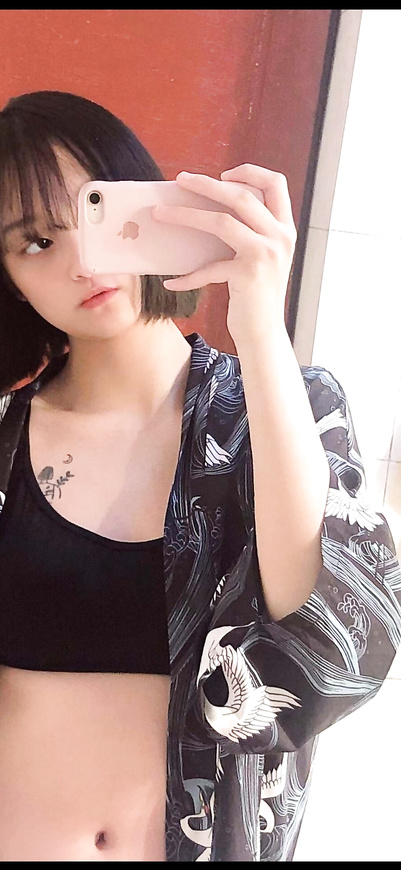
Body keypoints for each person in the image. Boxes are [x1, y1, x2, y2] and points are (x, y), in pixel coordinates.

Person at [0, 90, 399, 863]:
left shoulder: (284, 411)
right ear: (11, 278)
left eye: (92, 215)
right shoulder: (6, 440)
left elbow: (329, 646)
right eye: (36, 243)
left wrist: (259, 324)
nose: (82, 262)